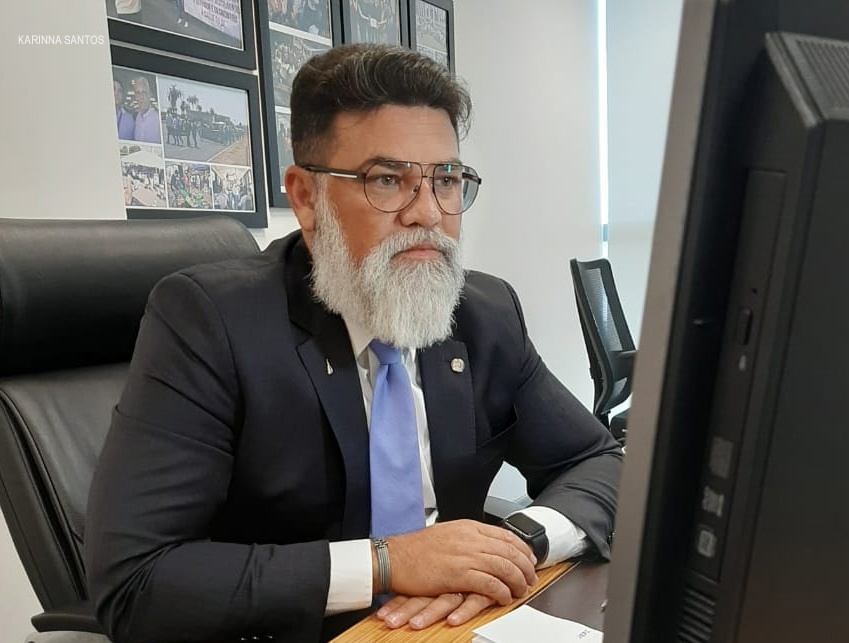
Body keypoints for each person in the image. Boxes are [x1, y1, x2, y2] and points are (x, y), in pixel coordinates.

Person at [85, 44, 622, 643]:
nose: (428, 213)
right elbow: (136, 580)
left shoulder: (484, 313)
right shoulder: (210, 322)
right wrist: (385, 563)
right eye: (387, 180)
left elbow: (600, 461)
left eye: (446, 180)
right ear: (306, 198)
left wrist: (516, 544)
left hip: (450, 627)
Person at [132, 76, 161, 144]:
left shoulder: (157, 119)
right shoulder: (137, 118)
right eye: (138, 93)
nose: (141, 97)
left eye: (144, 92)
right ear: (135, 96)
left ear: (150, 94)